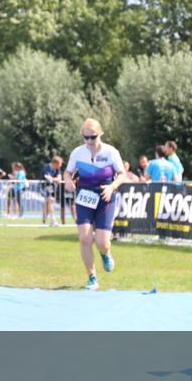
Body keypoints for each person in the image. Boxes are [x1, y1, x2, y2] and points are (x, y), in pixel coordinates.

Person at [64, 118, 126, 290]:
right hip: (84, 195)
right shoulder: (77, 153)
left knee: (102, 242)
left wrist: (111, 187)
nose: (90, 141)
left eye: (93, 137)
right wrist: (68, 181)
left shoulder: (111, 152)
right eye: (86, 137)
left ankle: (105, 253)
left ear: (101, 134)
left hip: (105, 196)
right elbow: (67, 172)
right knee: (84, 237)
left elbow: (122, 174)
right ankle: (92, 277)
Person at [40, 155, 63, 226]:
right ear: (55, 163)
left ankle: (43, 222)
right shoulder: (47, 167)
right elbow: (48, 178)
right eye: (60, 164)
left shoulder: (57, 169)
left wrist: (54, 179)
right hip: (44, 188)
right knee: (50, 200)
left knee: (48, 204)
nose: (61, 166)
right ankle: (53, 220)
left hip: (52, 188)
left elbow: (59, 178)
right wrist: (55, 179)